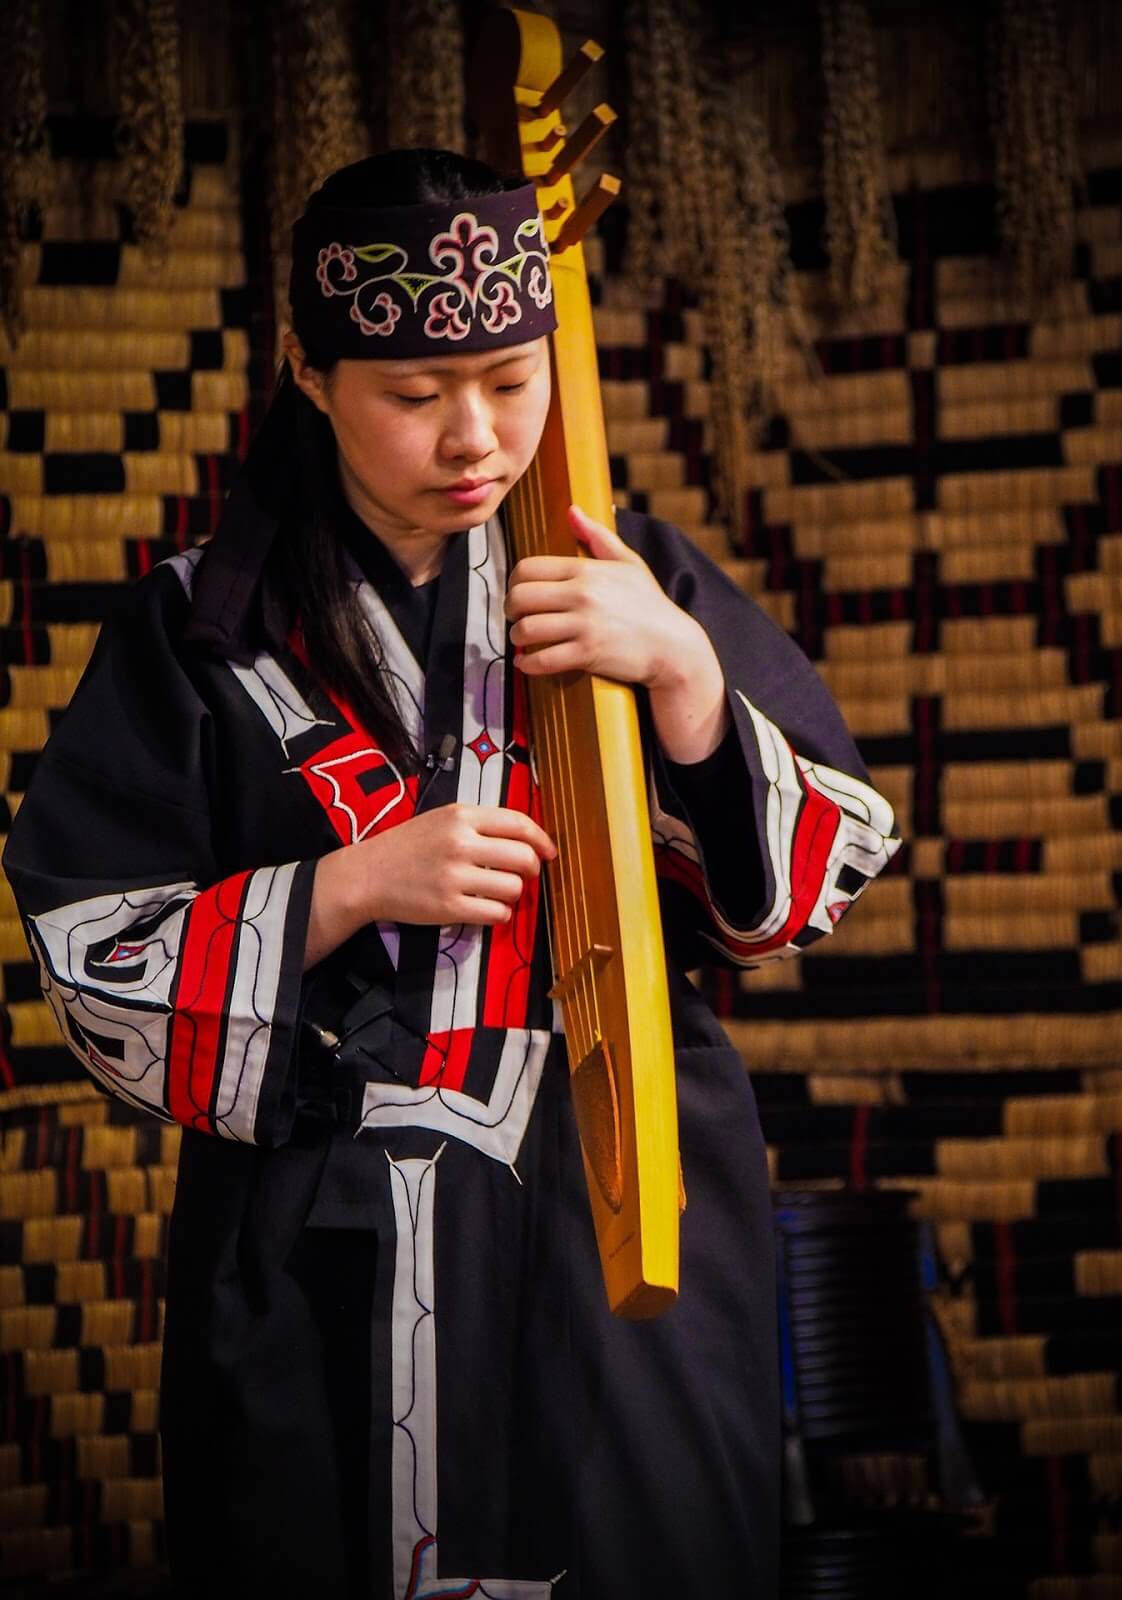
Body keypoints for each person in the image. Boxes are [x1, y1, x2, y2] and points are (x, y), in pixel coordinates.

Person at [3, 149, 900, 1599]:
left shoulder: (635, 573)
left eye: (510, 380)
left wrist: (679, 671)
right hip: (316, 1234)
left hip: (618, 1196)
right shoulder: (198, 628)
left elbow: (815, 879)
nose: (474, 436)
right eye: (414, 397)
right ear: (309, 371)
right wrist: (345, 887)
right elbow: (89, 947)